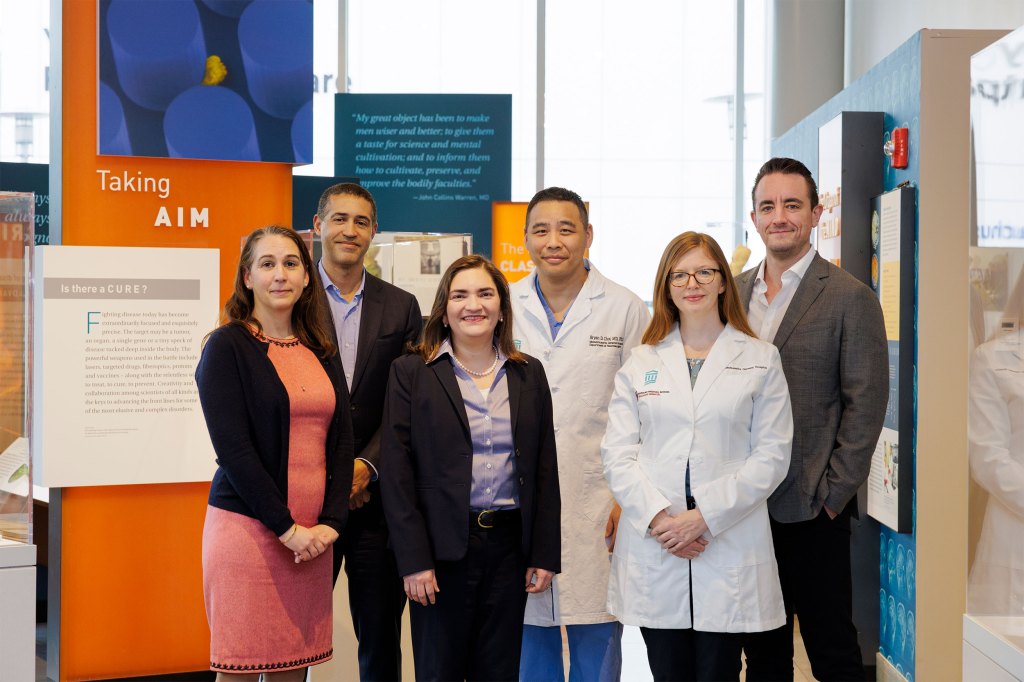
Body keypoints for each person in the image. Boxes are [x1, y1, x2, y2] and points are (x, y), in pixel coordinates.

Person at [602, 231, 793, 681]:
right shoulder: (641, 361)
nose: (693, 282)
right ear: (666, 286)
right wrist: (661, 520)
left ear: (723, 281)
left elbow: (772, 456)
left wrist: (703, 517)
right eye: (680, 274)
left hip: (724, 539)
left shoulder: (760, 359)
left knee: (717, 672)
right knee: (667, 670)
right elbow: (617, 453)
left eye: (705, 271)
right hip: (659, 542)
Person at [736, 157, 889, 681]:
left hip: (811, 507)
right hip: (739, 507)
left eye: (792, 205)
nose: (780, 216)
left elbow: (865, 406)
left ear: (816, 212)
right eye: (768, 206)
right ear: (753, 218)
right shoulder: (727, 294)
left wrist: (833, 496)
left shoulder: (850, 297)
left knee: (831, 649)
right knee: (762, 650)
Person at [381, 255, 561, 682]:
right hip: (440, 553)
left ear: (501, 307)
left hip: (508, 548)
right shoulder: (411, 372)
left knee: (498, 672)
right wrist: (413, 561)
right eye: (460, 295)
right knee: (439, 671)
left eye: (485, 293)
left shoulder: (527, 373)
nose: (473, 304)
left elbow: (544, 470)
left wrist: (543, 552)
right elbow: (397, 473)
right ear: (444, 309)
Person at [196, 225, 354, 681]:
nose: (279, 275)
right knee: (241, 668)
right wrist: (286, 529)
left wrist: (331, 524)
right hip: (251, 534)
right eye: (267, 264)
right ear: (247, 277)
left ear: (307, 276)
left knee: (291, 666)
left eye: (290, 263)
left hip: (313, 541)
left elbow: (342, 441)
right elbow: (234, 451)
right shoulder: (227, 346)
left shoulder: (320, 349)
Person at [511, 186, 649, 682]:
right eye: (541, 230)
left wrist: (625, 497)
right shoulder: (505, 305)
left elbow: (649, 412)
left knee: (597, 634)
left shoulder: (626, 309)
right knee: (530, 644)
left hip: (599, 500)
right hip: (520, 501)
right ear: (526, 238)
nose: (554, 241)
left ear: (588, 236)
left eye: (567, 229)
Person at [311, 182, 422, 681]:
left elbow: (408, 403)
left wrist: (365, 467)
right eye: (339, 219)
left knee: (379, 639)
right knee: (293, 635)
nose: (349, 230)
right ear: (318, 227)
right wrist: (337, 473)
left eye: (361, 221)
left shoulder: (401, 307)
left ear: (374, 232)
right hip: (307, 498)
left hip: (376, 502)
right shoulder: (289, 297)